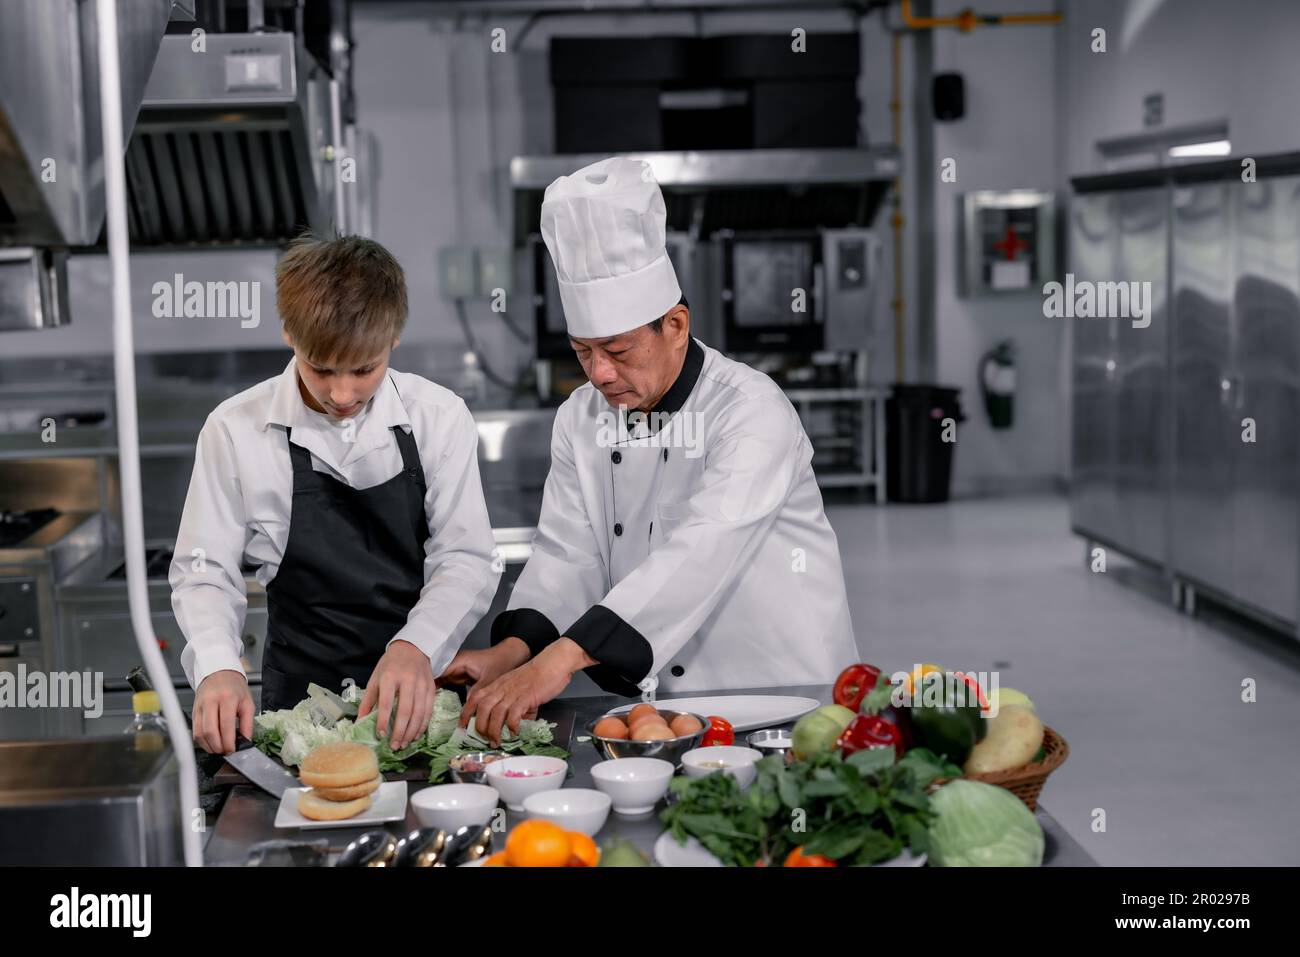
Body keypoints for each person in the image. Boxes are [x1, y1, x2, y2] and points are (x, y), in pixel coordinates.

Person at [441, 156, 858, 744]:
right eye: (583, 352)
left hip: (785, 690)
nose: (601, 374)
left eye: (618, 349)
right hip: (676, 710)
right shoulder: (579, 418)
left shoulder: (749, 411)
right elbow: (568, 554)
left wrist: (555, 665)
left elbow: (701, 551)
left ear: (677, 324)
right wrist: (511, 654)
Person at [172, 234, 500, 755]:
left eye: (364, 370)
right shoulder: (234, 430)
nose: (342, 395)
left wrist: (416, 647)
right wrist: (216, 664)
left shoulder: (439, 417)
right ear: (288, 335)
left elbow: (464, 556)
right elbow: (205, 568)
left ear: (394, 339)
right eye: (320, 369)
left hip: (416, 700)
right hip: (295, 714)